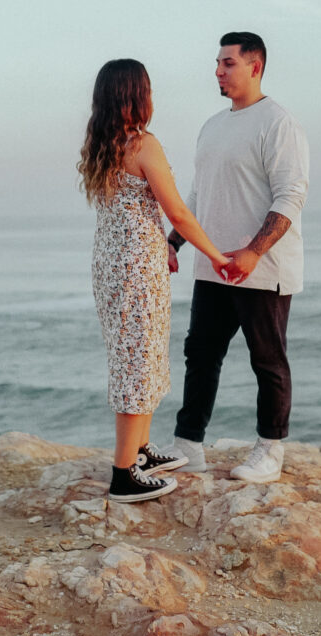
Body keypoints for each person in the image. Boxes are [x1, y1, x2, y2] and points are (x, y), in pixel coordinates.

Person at [78, 59, 230, 503]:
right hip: (135, 270)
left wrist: (162, 244)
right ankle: (124, 474)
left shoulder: (101, 142)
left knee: (138, 356)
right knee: (136, 364)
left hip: (112, 262)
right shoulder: (143, 143)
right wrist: (217, 256)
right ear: (136, 95)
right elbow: (178, 211)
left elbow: (128, 209)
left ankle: (141, 450)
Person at [166, 32, 309, 482]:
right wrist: (173, 242)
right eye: (217, 62)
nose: (218, 71)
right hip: (212, 265)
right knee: (201, 356)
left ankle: (270, 450)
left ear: (255, 66)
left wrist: (252, 251)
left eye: (228, 63)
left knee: (267, 359)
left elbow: (291, 196)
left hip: (263, 270)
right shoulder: (212, 126)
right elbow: (197, 195)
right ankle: (189, 445)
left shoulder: (278, 123)